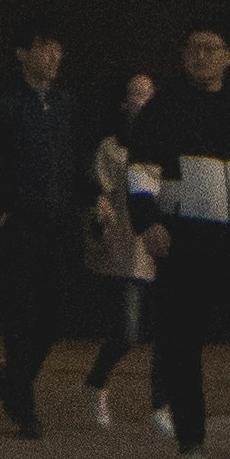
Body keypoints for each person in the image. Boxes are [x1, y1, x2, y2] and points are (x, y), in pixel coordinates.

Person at [143, 21, 230, 459]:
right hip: (185, 240)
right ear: (184, 59)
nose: (202, 56)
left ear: (229, 58)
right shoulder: (163, 108)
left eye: (211, 48)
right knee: (183, 341)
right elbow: (140, 172)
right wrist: (149, 222)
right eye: (194, 49)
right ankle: (191, 442)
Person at [0, 18, 90, 438]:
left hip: (57, 221)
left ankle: (15, 380)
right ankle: (27, 411)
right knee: (18, 313)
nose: (53, 57)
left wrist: (92, 198)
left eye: (57, 48)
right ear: (22, 53)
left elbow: (74, 159)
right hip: (17, 222)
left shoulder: (65, 103)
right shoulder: (0, 102)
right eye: (43, 47)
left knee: (55, 313)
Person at [78, 66, 162, 425]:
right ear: (125, 103)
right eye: (136, 93)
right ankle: (97, 383)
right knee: (127, 331)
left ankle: (162, 404)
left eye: (149, 93)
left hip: (162, 245)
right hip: (128, 246)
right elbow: (100, 192)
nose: (143, 100)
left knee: (169, 334)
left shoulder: (164, 145)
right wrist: (102, 208)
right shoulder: (111, 149)